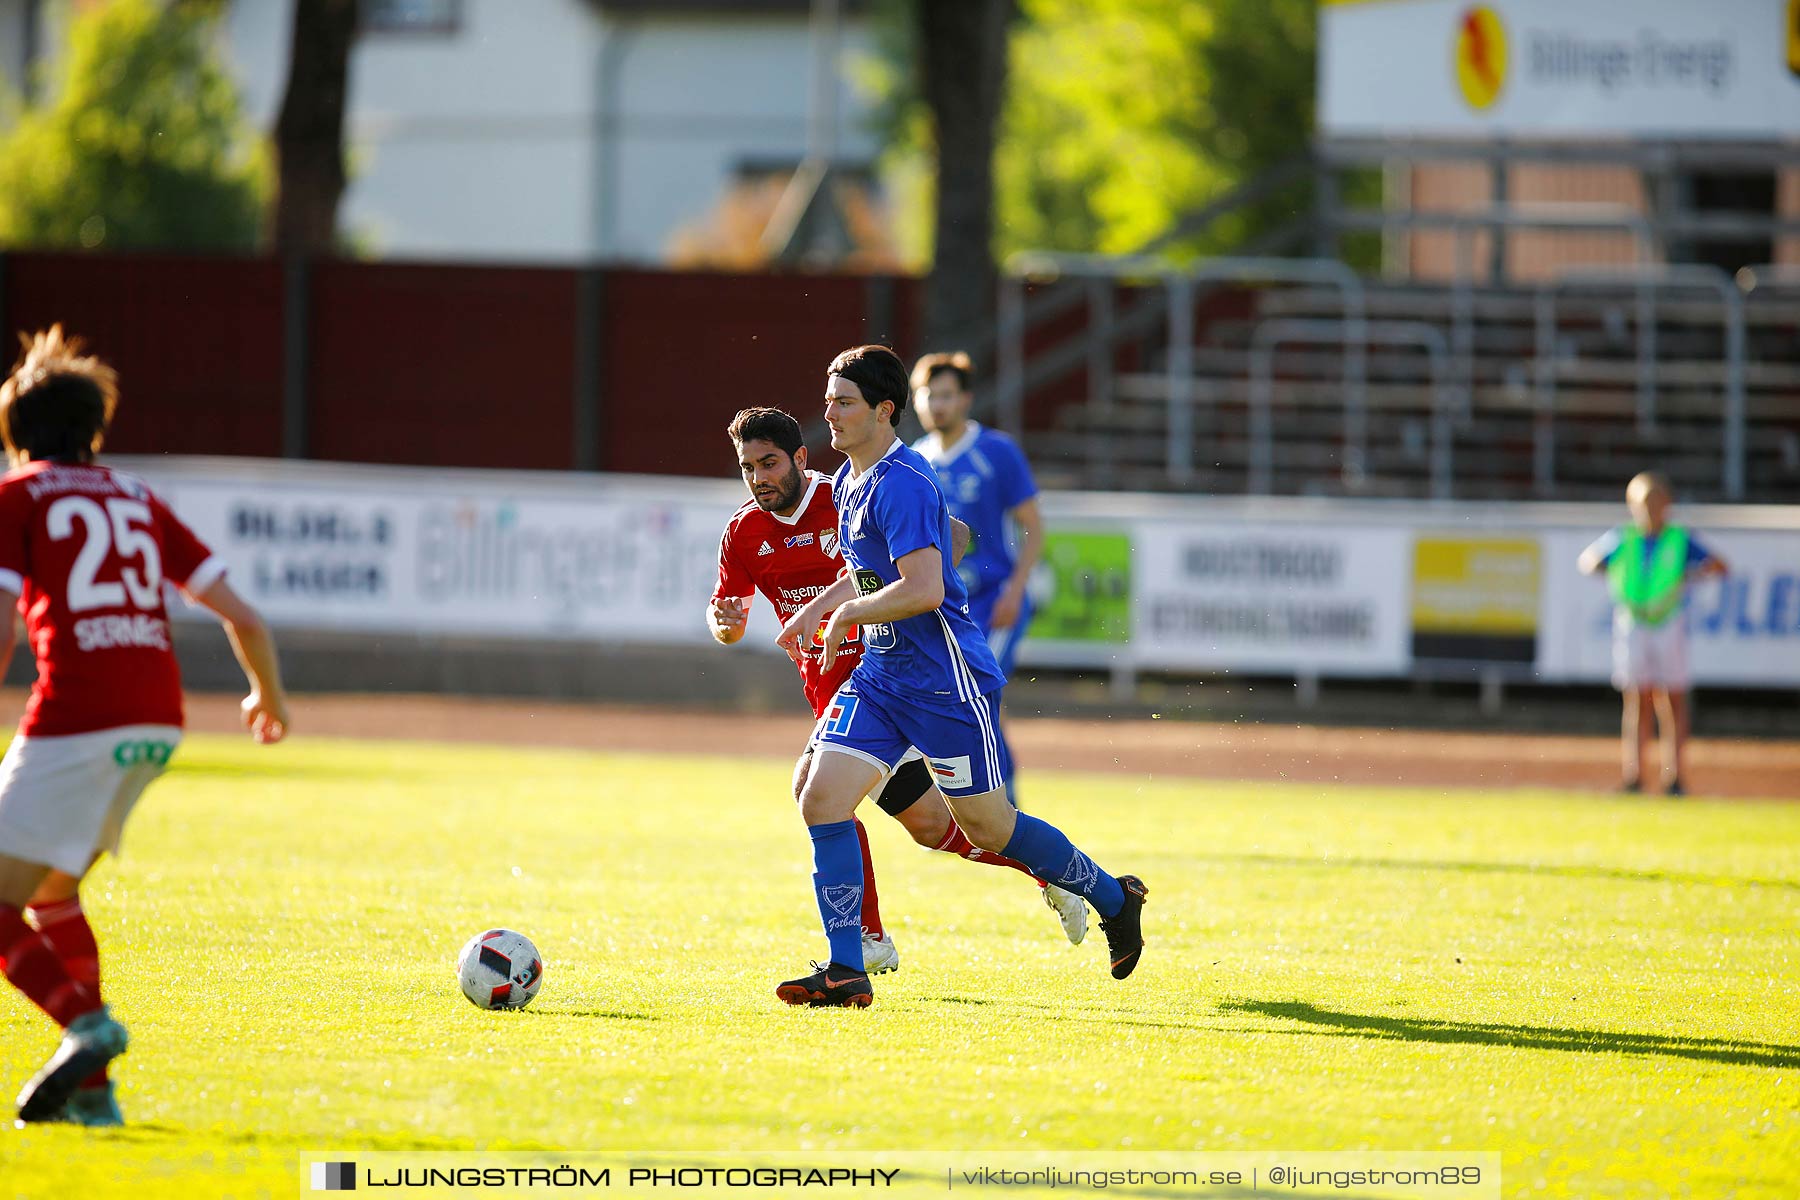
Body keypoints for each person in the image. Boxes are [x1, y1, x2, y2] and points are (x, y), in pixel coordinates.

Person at [773, 345, 1146, 1008]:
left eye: (843, 401)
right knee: (821, 799)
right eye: (829, 398)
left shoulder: (902, 480)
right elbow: (950, 540)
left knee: (990, 829)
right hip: (884, 677)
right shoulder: (851, 481)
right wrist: (823, 608)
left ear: (884, 410)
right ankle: (846, 966)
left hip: (946, 685)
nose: (827, 411)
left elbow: (921, 587)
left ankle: (1116, 898)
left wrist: (849, 613)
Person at [0, 326, 290, 1125]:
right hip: (159, 721)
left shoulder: (17, 497)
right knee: (55, 889)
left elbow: (2, 627)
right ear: (94, 431)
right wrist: (270, 699)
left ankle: (86, 1030)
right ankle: (94, 1098)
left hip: (79, 713)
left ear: (16, 437)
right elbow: (247, 619)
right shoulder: (135, 497)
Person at [706, 407, 1089, 975]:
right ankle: (1053, 873)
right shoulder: (742, 532)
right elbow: (727, 620)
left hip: (887, 685)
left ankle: (866, 940)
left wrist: (890, 589)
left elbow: (952, 537)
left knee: (815, 793)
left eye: (769, 463)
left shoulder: (847, 494)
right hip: (835, 698)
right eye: (748, 468)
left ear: (801, 460)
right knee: (934, 828)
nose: (759, 477)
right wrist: (727, 624)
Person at [910, 353, 1040, 807]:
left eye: (946, 395)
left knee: (980, 698)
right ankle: (978, 808)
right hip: (945, 607)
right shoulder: (915, 460)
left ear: (965, 399)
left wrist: (1017, 589)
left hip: (993, 599)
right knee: (954, 701)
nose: (937, 404)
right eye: (928, 395)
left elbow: (1033, 526)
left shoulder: (996, 451)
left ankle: (1006, 810)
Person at [1577, 471, 1726, 796]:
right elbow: (1589, 561)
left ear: (1667, 504)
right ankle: (1635, 776)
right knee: (1637, 700)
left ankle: (1674, 777)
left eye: (1656, 502)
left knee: (1671, 700)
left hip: (1667, 622)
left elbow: (1718, 565)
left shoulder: (1678, 539)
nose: (1650, 509)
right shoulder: (1624, 537)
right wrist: (1614, 576)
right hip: (1633, 622)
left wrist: (1688, 577)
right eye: (1644, 503)